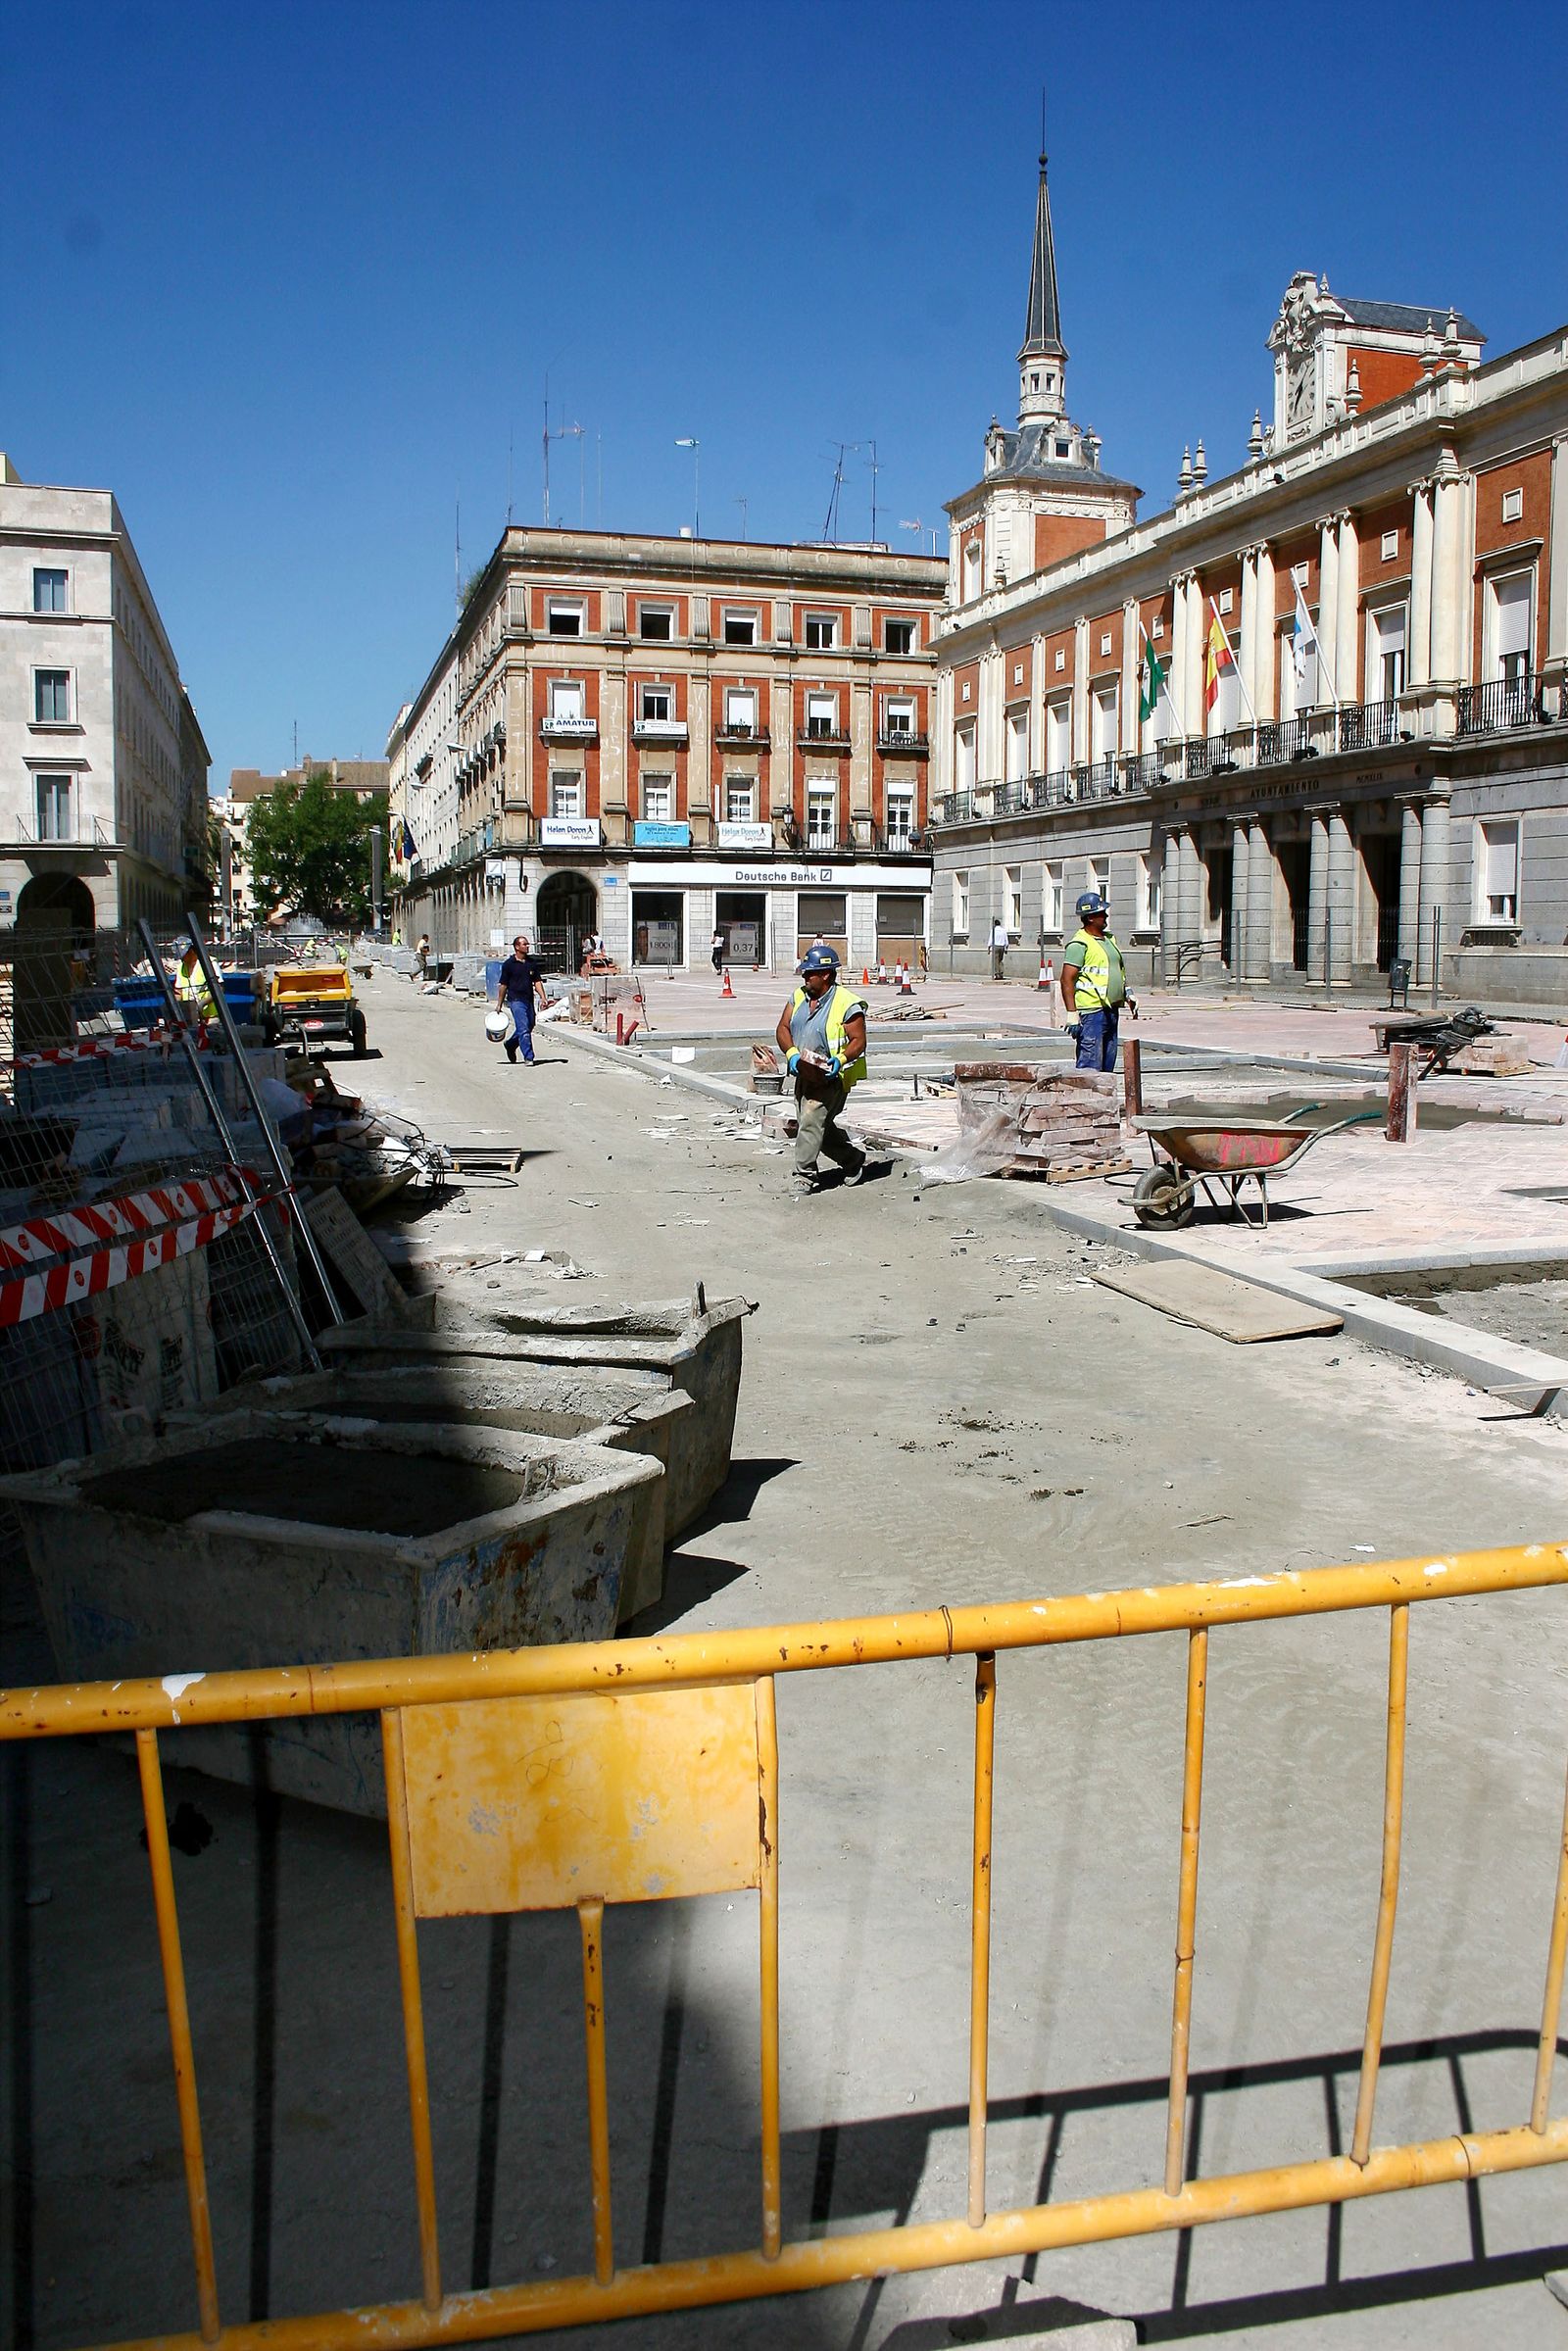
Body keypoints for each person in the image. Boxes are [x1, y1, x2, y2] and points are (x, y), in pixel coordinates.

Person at [773, 946, 868, 1193]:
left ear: (825, 974)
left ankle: (804, 1175)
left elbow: (859, 1041)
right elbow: (782, 1027)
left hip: (831, 1077)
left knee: (810, 1121)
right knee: (815, 1128)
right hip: (804, 1072)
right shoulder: (798, 997)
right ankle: (853, 1160)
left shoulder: (847, 1003)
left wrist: (841, 1059)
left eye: (809, 973)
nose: (804, 977)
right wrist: (791, 1053)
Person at [1060, 892, 1136, 1071]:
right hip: (1092, 1012)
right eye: (1102, 913)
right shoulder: (1080, 944)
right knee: (1090, 1065)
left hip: (1110, 1009)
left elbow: (1116, 971)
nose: (1106, 916)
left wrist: (1128, 993)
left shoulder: (1109, 940)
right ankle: (1087, 1091)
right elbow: (1066, 979)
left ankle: (1104, 1090)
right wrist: (1072, 1013)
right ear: (1090, 917)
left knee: (1108, 1063)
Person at [495, 932, 547, 1065]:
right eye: (524, 944)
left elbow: (537, 981)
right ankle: (529, 1057)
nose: (527, 946)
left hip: (528, 999)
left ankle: (511, 1044)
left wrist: (543, 997)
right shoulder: (509, 964)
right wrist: (499, 1004)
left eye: (527, 944)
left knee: (529, 1025)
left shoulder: (531, 963)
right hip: (516, 1001)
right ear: (517, 947)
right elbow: (503, 985)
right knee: (523, 1029)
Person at [989, 914, 1009, 981]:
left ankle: (997, 974)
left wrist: (989, 948)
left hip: (996, 946)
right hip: (1002, 947)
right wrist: (1006, 948)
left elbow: (991, 939)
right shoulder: (1003, 930)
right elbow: (1006, 940)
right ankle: (1001, 973)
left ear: (994, 924)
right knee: (1000, 960)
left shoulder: (993, 930)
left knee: (995, 961)